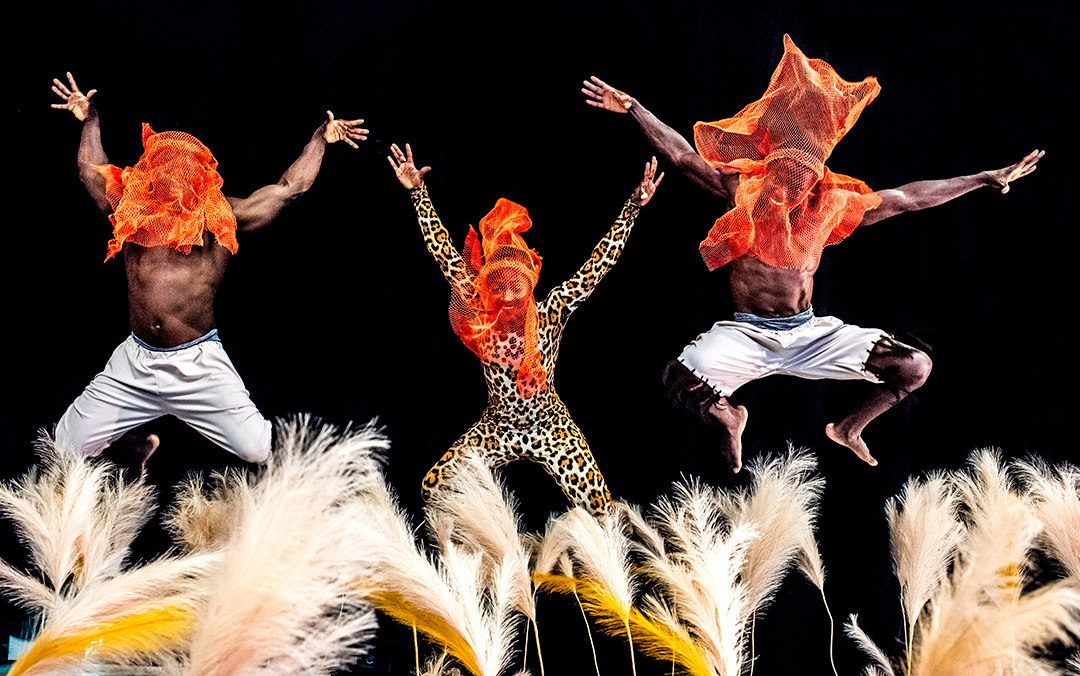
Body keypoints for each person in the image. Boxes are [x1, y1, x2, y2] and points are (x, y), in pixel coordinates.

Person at [582, 36, 1042, 472]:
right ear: (772, 166)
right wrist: (635, 108)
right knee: (679, 380)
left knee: (915, 367)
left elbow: (908, 198)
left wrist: (983, 178)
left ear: (815, 175)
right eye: (784, 174)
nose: (791, 186)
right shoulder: (742, 190)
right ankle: (729, 418)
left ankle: (848, 428)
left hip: (810, 334)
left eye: (803, 177)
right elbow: (682, 156)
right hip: (748, 335)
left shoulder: (832, 202)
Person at [51, 72, 368, 474]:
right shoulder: (130, 210)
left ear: (200, 175)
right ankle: (130, 447)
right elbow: (89, 169)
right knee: (65, 444)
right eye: (165, 163)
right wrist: (91, 116)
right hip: (135, 362)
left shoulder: (221, 217)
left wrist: (321, 137)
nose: (174, 172)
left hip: (198, 365)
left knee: (256, 448)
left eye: (184, 166)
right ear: (151, 170)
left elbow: (290, 189)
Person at [388, 143, 662, 515]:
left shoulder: (552, 310)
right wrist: (418, 194)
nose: (507, 296)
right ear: (487, 288)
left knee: (602, 510)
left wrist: (632, 208)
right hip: (496, 428)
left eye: (515, 287)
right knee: (434, 488)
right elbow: (443, 253)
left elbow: (599, 265)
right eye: (498, 287)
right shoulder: (480, 307)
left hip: (551, 428)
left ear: (529, 284)